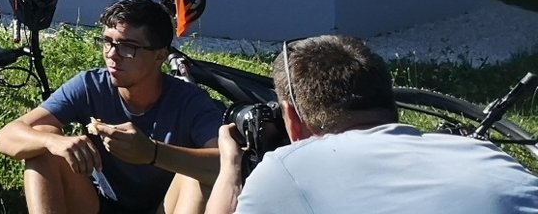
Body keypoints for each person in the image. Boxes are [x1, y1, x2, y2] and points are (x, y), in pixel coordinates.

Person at [208, 34, 538, 214]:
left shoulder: (287, 169)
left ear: (291, 118)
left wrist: (230, 166)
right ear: (390, 102)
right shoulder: (484, 155)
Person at [0, 0, 222, 214]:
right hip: (97, 204)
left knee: (198, 173)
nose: (113, 54)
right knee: (42, 141)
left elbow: (227, 163)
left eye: (127, 46)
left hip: (167, 206)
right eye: (107, 42)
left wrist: (151, 152)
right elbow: (4, 137)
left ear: (160, 56)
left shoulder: (189, 100)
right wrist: (52, 141)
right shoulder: (91, 86)